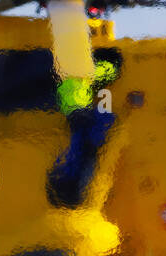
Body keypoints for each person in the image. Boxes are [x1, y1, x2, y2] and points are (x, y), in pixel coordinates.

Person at [47, 58, 119, 208]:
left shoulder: (62, 77)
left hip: (75, 115)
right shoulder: (79, 74)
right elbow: (105, 72)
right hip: (80, 115)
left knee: (82, 145)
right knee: (86, 144)